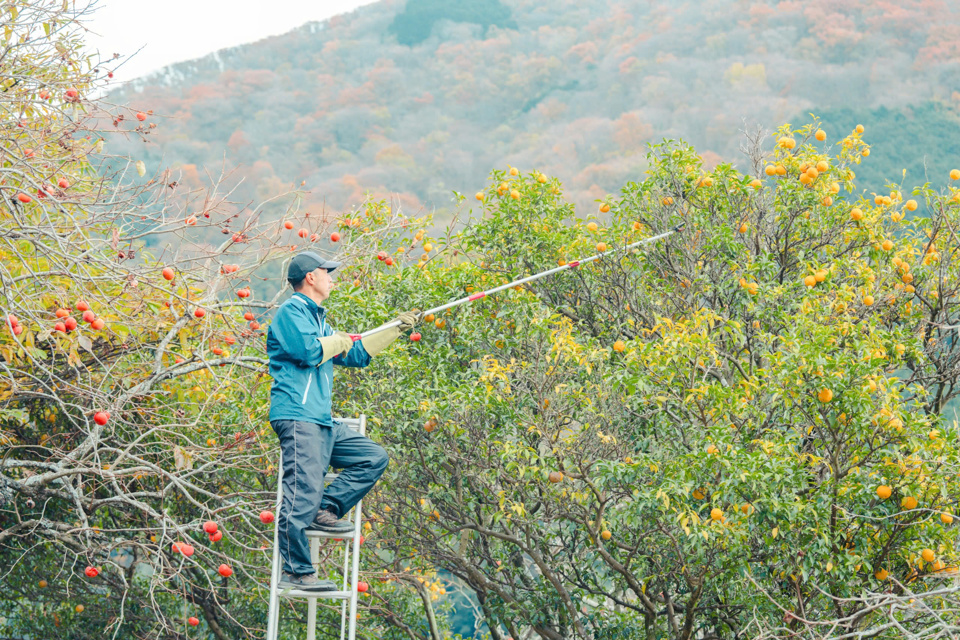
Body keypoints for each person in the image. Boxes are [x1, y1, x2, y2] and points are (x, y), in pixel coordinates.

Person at [267, 250, 421, 591]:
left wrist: (396, 329)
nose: (331, 277)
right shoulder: (291, 311)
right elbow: (308, 352)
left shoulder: (319, 319)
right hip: (298, 414)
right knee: (300, 493)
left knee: (372, 457)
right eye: (327, 272)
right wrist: (338, 340)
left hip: (320, 419)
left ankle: (327, 508)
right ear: (311, 277)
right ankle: (296, 572)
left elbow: (357, 354)